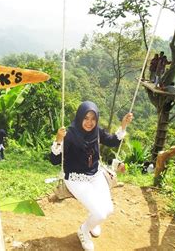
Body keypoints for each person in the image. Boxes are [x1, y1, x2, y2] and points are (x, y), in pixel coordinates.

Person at [49, 101, 133, 251]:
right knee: (100, 213)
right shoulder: (69, 134)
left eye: (93, 119)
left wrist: (123, 125)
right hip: (75, 178)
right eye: (86, 118)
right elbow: (54, 160)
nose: (89, 122)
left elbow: (113, 141)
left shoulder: (97, 132)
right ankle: (83, 230)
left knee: (108, 210)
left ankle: (92, 222)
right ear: (80, 117)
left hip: (95, 174)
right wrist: (58, 140)